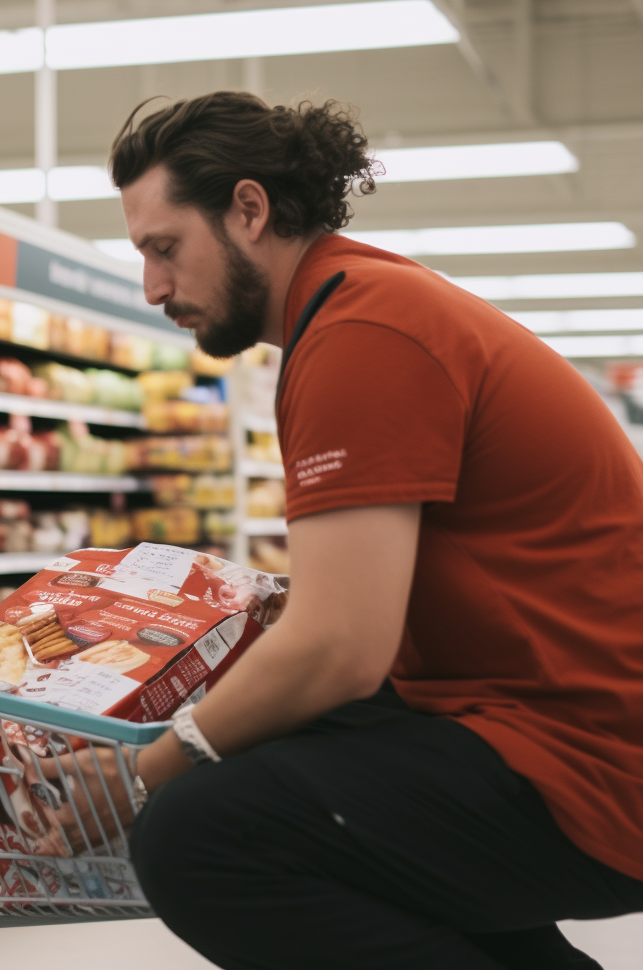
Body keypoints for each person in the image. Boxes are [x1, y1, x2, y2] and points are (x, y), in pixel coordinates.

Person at [47, 91, 643, 969]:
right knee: (288, 759)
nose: (155, 288)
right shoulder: (361, 307)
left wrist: (145, 773)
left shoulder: (363, 330)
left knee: (199, 837)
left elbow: (341, 649)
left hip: (589, 762)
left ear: (249, 210)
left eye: (164, 249)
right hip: (538, 722)